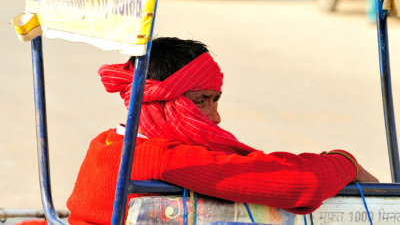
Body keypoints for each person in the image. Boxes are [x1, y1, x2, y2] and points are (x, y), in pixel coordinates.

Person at [66, 37, 378, 224]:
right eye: (202, 101)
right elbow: (298, 184)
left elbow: (250, 166)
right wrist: (345, 162)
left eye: (215, 100)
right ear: (158, 102)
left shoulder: (106, 142)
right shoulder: (161, 159)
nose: (215, 117)